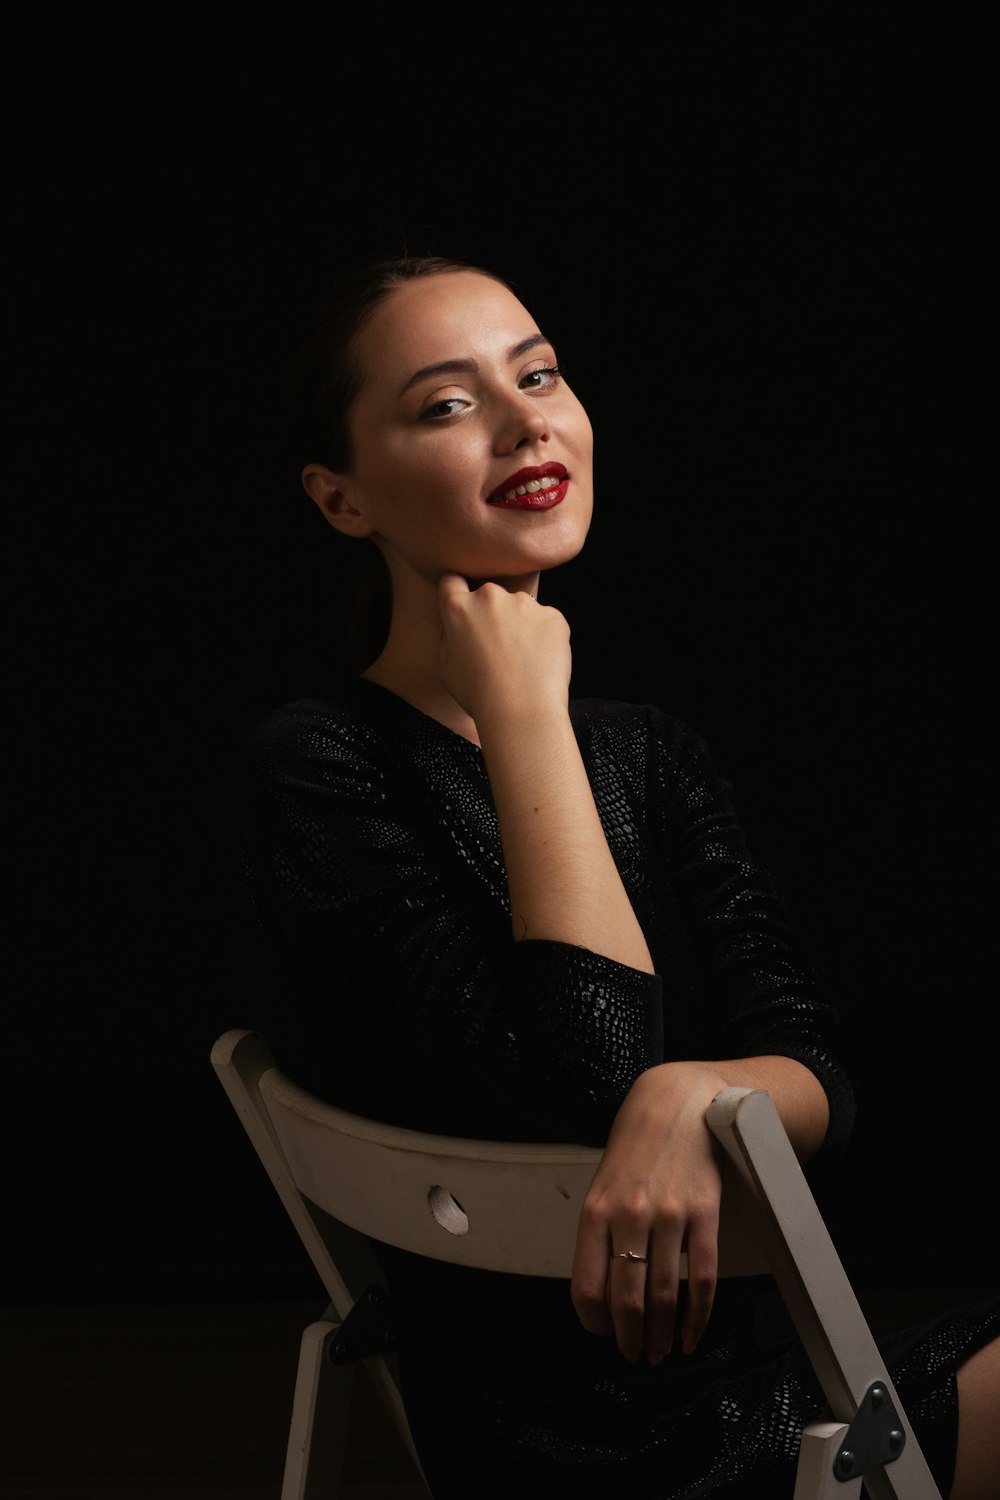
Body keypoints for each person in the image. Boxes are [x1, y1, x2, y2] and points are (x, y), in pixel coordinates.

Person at [232, 253, 1000, 1499]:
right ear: (340, 499)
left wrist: (691, 1094)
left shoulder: (649, 751)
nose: (528, 418)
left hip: (785, 1388)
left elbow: (816, 1072)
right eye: (445, 402)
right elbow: (591, 1072)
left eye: (537, 374)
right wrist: (526, 705)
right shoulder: (314, 768)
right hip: (587, 1440)